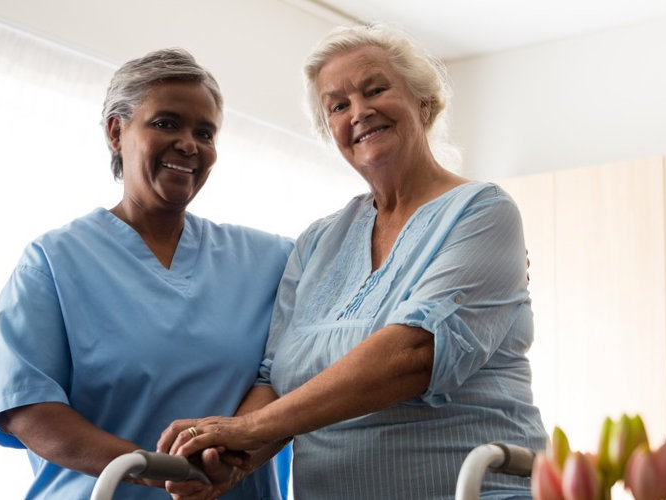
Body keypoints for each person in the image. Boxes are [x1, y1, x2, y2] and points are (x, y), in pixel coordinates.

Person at [158, 25, 547, 499]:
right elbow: (276, 380)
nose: (359, 112)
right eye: (338, 106)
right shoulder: (318, 241)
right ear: (332, 132)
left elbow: (415, 354)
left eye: (375, 89)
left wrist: (249, 429)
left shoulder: (482, 211)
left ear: (423, 102)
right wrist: (231, 463)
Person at [0, 48, 291, 500]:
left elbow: (291, 383)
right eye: (166, 123)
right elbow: (28, 410)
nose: (189, 144)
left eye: (204, 132)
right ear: (116, 130)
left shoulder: (270, 261)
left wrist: (231, 458)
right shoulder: (52, 262)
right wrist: (158, 470)